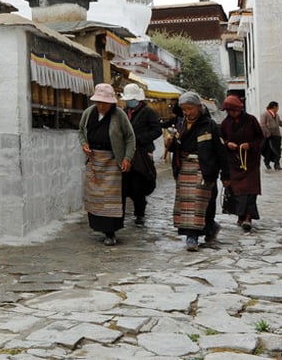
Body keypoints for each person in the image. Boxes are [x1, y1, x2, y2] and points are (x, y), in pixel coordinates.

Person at [168, 92, 229, 252]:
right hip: (184, 168)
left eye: (190, 109)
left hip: (204, 169)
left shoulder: (210, 126)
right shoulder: (180, 125)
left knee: (201, 203)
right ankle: (195, 234)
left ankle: (203, 231)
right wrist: (172, 143)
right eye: (184, 110)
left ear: (199, 107)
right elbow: (178, 146)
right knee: (187, 203)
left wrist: (226, 175)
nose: (187, 113)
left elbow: (221, 152)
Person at [79, 83, 135, 246]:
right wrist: (84, 144)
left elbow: (130, 137)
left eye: (105, 103)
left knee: (112, 199)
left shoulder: (119, 116)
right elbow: (81, 131)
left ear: (111, 103)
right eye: (99, 102)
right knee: (96, 197)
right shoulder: (88, 113)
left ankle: (110, 232)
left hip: (112, 162)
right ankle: (99, 228)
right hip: (95, 161)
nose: (101, 106)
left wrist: (127, 158)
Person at [219, 95, 265, 232]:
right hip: (234, 162)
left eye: (234, 111)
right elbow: (221, 139)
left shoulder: (251, 120)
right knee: (238, 191)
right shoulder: (225, 123)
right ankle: (241, 215)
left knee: (250, 191)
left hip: (250, 162)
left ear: (239, 109)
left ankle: (248, 217)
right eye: (229, 111)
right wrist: (228, 144)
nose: (232, 113)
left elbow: (260, 137)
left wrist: (250, 145)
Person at [119, 84, 161, 225]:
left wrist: (139, 139)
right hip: (126, 153)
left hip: (142, 154)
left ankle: (140, 213)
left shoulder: (148, 112)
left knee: (139, 184)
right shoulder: (124, 113)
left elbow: (157, 131)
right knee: (124, 184)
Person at [261, 101, 282, 171]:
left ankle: (274, 163)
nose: (278, 108)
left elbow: (280, 122)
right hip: (269, 136)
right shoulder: (265, 114)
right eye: (277, 107)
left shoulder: (276, 115)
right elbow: (262, 124)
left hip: (277, 135)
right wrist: (267, 133)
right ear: (274, 107)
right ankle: (272, 163)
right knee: (271, 151)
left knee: (275, 150)